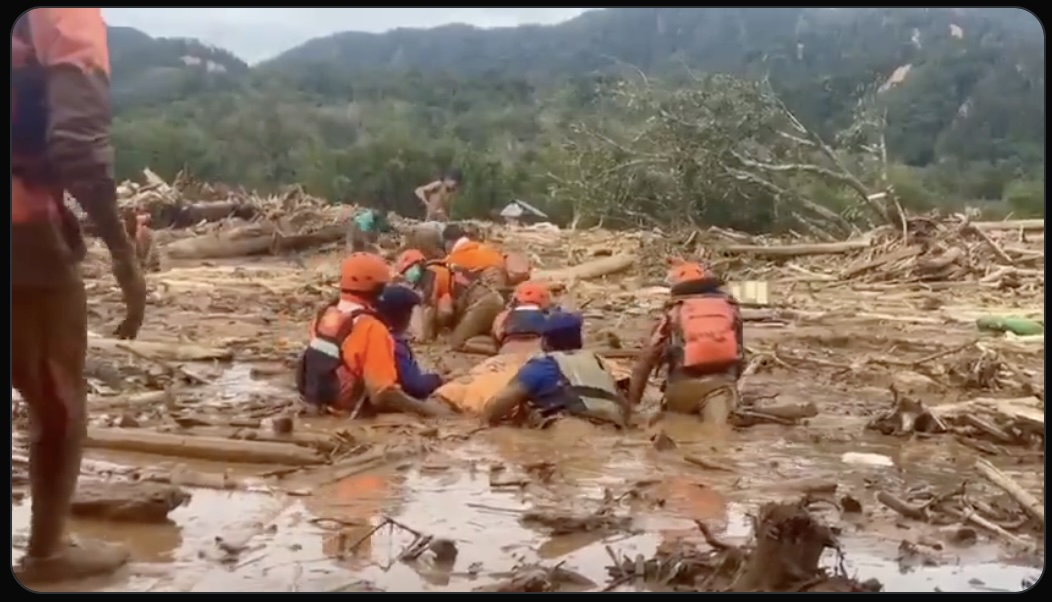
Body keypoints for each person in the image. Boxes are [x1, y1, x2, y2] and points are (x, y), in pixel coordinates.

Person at [12, 8, 147, 584]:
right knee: (59, 401)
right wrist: (124, 255)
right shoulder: (63, 14)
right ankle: (46, 553)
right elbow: (79, 147)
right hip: (20, 225)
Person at [296, 253, 447, 418]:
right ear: (380, 289)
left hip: (319, 401)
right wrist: (431, 412)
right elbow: (382, 394)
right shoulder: (372, 328)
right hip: (351, 409)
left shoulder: (322, 316)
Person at [627, 262, 743, 423]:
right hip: (719, 388)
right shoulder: (730, 309)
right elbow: (739, 357)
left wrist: (632, 405)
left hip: (681, 389)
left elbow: (645, 362)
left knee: (675, 431)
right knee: (719, 437)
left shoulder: (673, 312)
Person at [482, 312, 628, 428]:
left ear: (545, 341)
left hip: (567, 428)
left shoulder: (542, 366)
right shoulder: (599, 362)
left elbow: (498, 405)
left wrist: (484, 423)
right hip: (612, 426)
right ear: (580, 340)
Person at [440, 224, 508, 349]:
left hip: (484, 299)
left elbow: (446, 308)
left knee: (456, 343)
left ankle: (501, 349)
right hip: (503, 297)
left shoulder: (453, 260)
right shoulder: (486, 249)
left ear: (449, 242)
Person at [375, 285, 444, 399]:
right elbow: (415, 386)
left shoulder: (372, 330)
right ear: (406, 315)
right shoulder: (394, 345)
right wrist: (437, 379)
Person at [491, 281, 554, 354]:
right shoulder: (550, 317)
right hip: (538, 354)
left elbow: (497, 337)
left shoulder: (503, 316)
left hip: (508, 352)